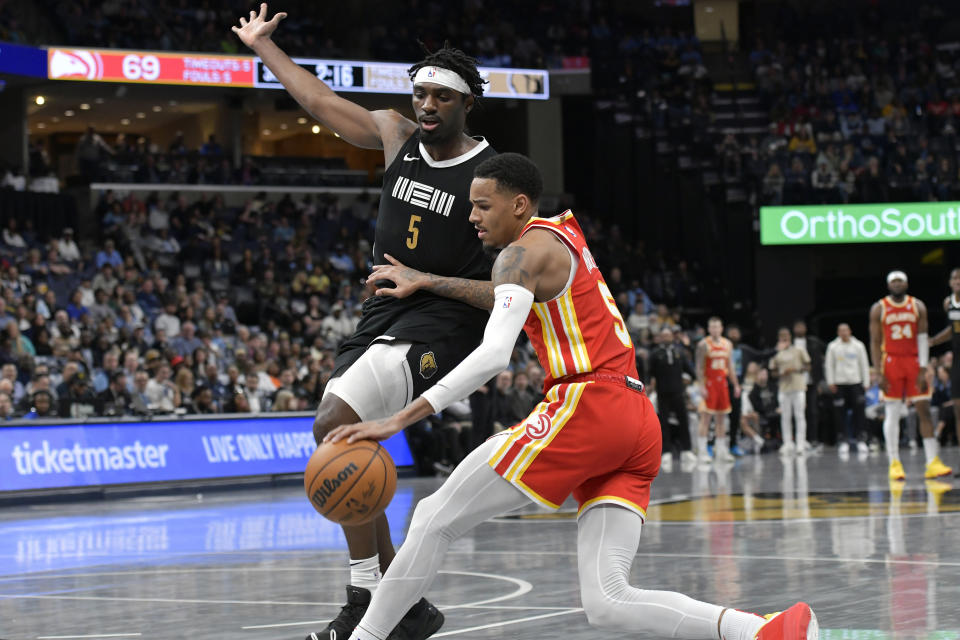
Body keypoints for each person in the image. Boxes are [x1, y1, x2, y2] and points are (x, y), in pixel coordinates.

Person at [325, 153, 816, 640]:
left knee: (433, 517)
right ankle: (764, 631)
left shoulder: (517, 254)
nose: (470, 216)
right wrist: (431, 281)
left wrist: (399, 419)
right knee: (608, 601)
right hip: (635, 419)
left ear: (518, 205)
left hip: (588, 405)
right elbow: (504, 293)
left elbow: (496, 354)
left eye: (481, 206)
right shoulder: (557, 238)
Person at [233, 5, 496, 637]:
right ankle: (402, 609)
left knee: (335, 427)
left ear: (465, 104)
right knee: (340, 438)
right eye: (420, 93)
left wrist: (428, 281)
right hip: (382, 311)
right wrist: (264, 48)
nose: (426, 104)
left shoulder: (489, 177)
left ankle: (366, 601)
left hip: (442, 322)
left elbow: (508, 283)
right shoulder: (394, 133)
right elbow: (321, 102)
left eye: (440, 96)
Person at [869, 270, 952, 481]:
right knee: (893, 411)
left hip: (914, 360)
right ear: (889, 285)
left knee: (923, 408)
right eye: (893, 281)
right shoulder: (879, 308)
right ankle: (894, 462)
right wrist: (878, 372)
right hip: (891, 361)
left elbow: (923, 338)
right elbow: (875, 341)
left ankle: (932, 461)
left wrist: (923, 368)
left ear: (906, 284)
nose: (897, 284)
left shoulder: (918, 306)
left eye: (900, 281)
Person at [648, 326, 696, 469]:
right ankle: (666, 452)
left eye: (668, 335)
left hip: (678, 393)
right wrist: (650, 384)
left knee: (684, 421)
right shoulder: (655, 354)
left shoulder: (679, 352)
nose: (666, 338)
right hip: (662, 394)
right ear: (660, 337)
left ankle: (687, 450)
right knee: (663, 424)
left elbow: (690, 371)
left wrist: (690, 379)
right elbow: (649, 372)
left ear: (672, 337)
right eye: (664, 335)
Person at [695, 317, 740, 463]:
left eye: (717, 327)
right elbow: (699, 367)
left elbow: (731, 367)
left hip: (723, 384)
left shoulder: (728, 344)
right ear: (709, 329)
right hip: (709, 384)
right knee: (706, 418)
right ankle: (702, 452)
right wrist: (701, 386)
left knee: (722, 418)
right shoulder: (703, 344)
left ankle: (721, 450)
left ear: (721, 328)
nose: (715, 330)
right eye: (712, 327)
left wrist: (736, 384)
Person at [824, 323, 870, 457]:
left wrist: (865, 382)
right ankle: (843, 440)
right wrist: (830, 382)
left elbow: (864, 364)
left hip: (856, 382)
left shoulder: (858, 345)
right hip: (839, 383)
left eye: (846, 330)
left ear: (850, 331)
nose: (844, 333)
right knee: (839, 413)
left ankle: (861, 439)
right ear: (838, 333)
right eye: (841, 331)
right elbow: (829, 365)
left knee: (859, 412)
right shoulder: (833, 346)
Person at [930, 266, 960, 448]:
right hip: (958, 359)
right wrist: (933, 341)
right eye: (955, 278)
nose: (958, 281)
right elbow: (952, 330)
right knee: (958, 409)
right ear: (950, 282)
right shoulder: (948, 303)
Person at [769, 327, 811, 456]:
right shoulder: (777, 353)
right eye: (782, 336)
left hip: (798, 386)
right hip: (784, 388)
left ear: (790, 337)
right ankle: (787, 442)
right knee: (785, 417)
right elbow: (773, 372)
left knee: (799, 415)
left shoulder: (799, 350)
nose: (784, 338)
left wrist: (797, 368)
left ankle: (800, 443)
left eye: (786, 335)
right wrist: (782, 372)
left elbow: (808, 365)